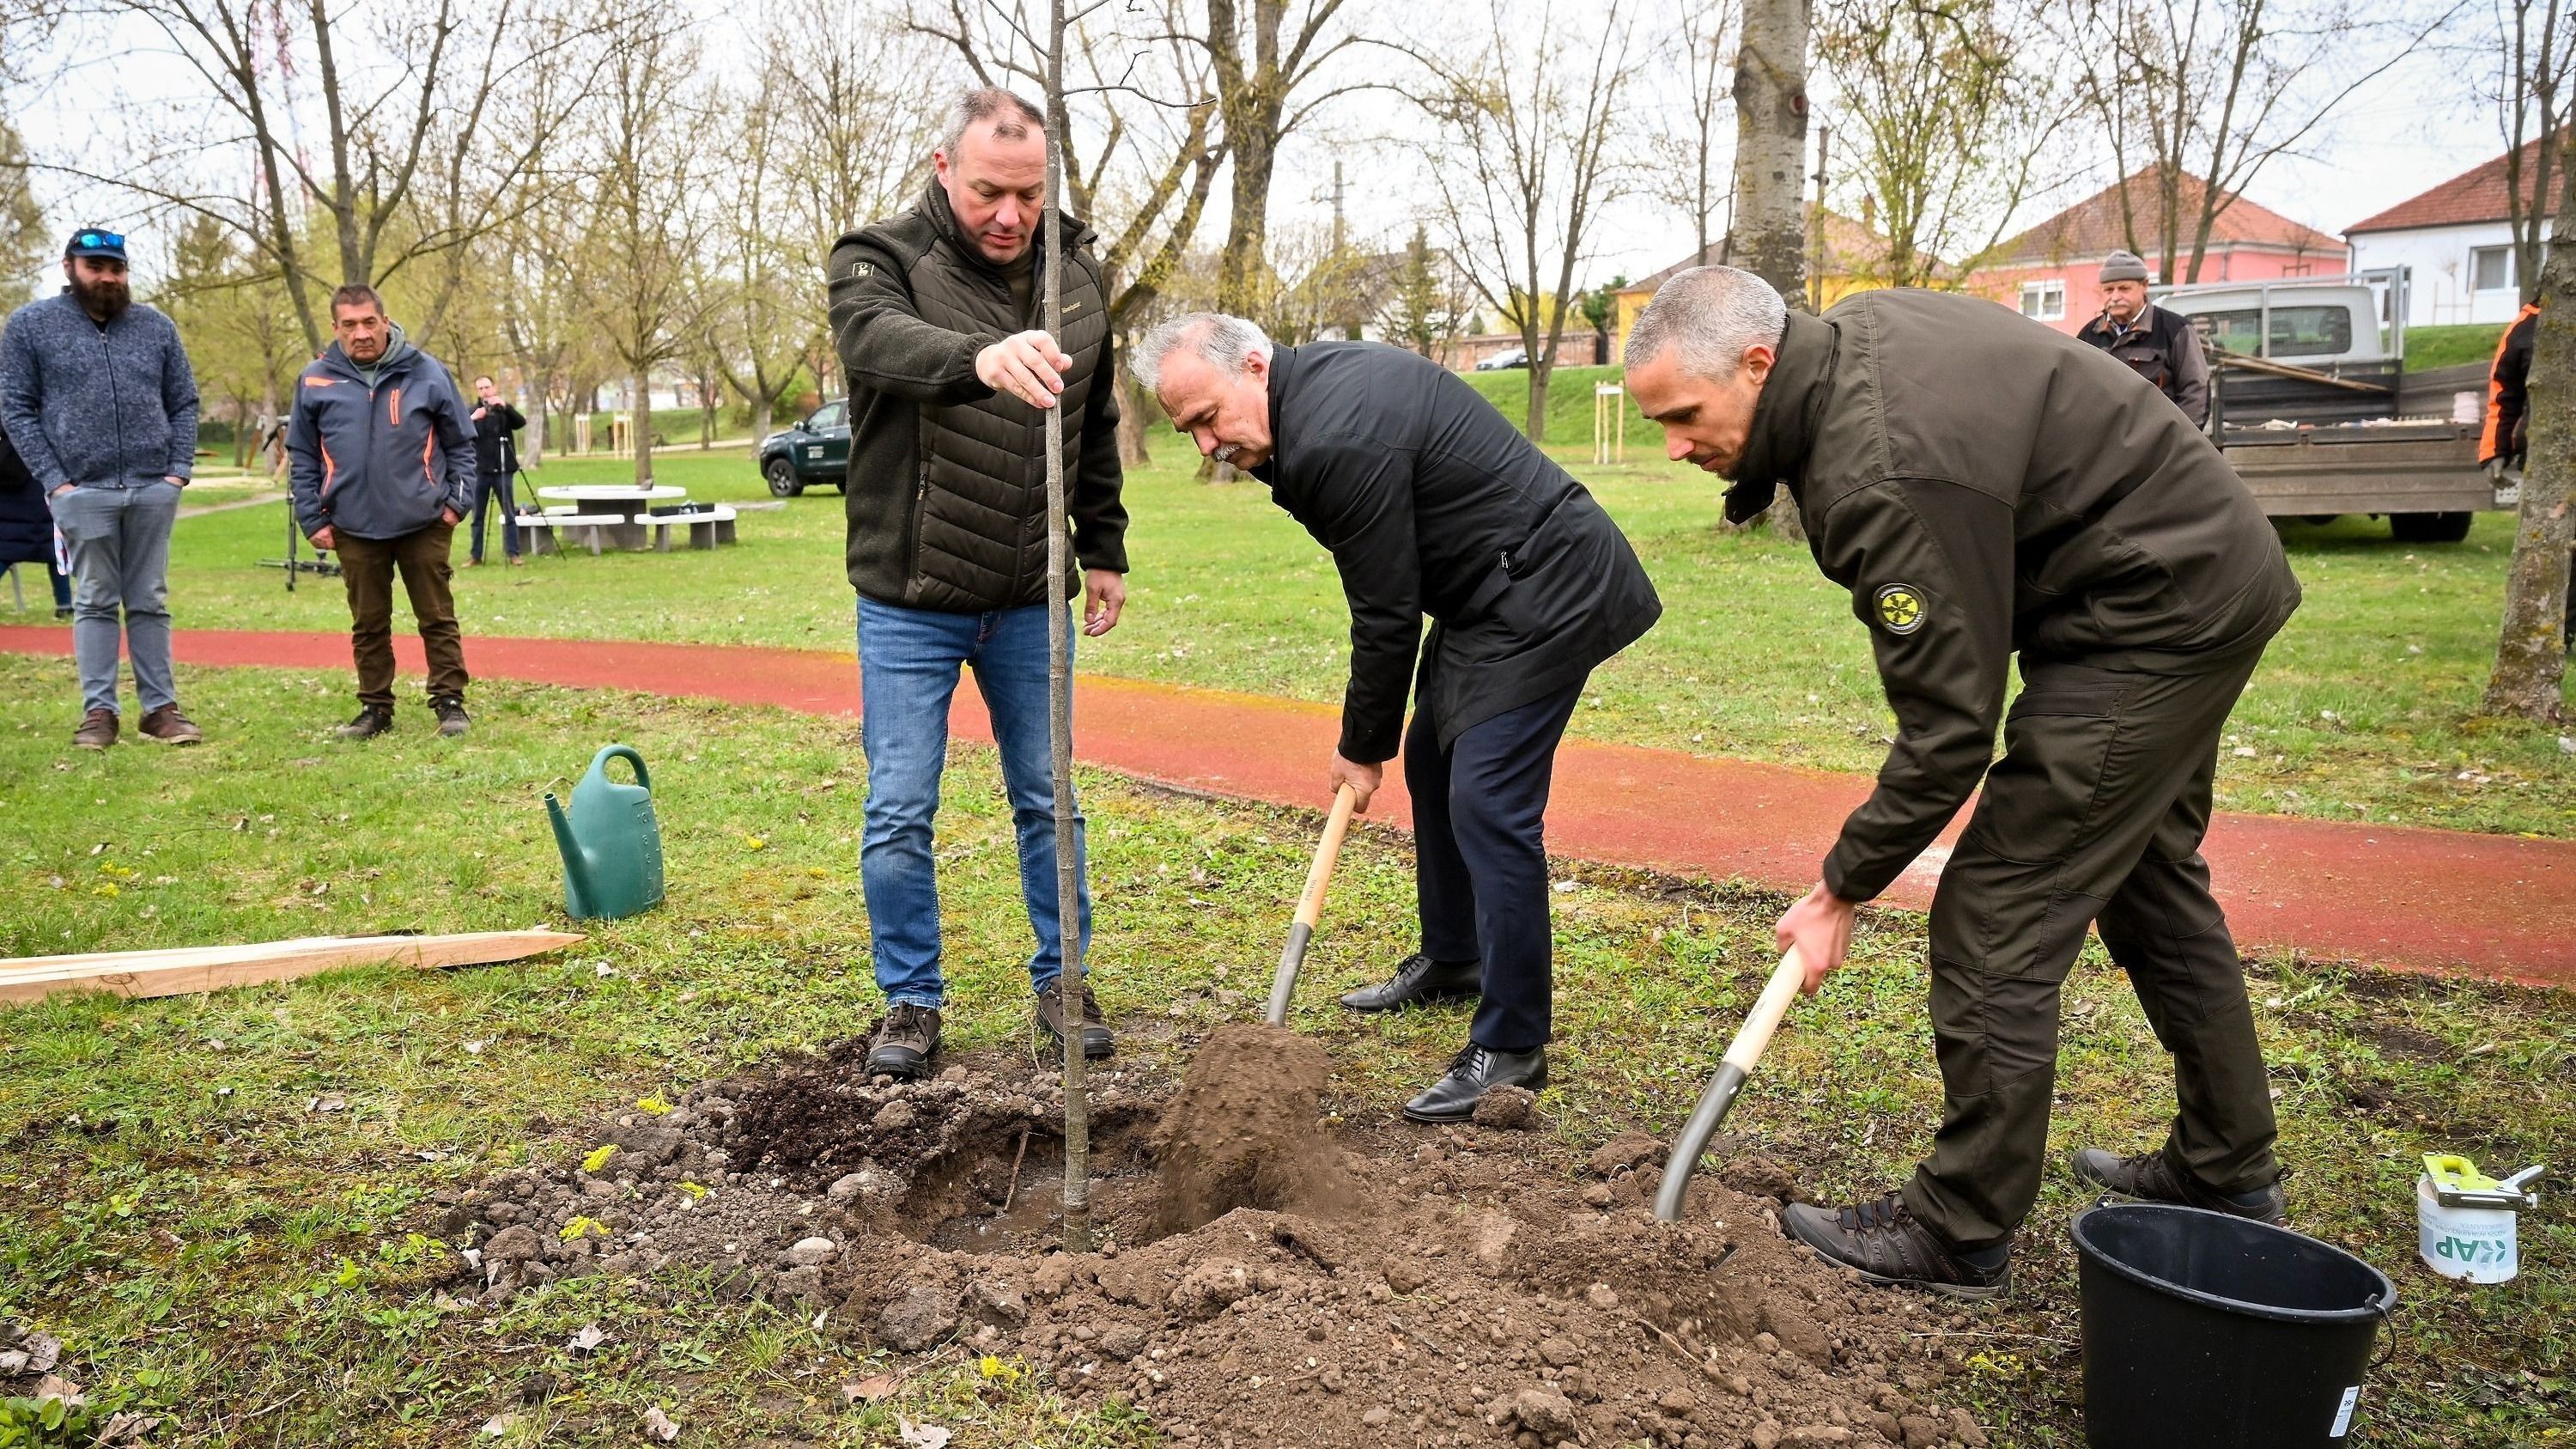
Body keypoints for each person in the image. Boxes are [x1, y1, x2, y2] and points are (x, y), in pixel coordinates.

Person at [1625, 267, 2301, 1298]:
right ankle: (2226, 1166)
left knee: (1998, 911)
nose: (1675, 447)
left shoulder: (1876, 472)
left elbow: (1949, 729)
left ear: (1758, 364)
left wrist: (1840, 886)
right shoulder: (1849, 340)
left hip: (2152, 612)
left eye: (1683, 415)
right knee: (2149, 877)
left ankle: (1960, 1225)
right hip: (2189, 569)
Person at [1133, 313, 1663, 1123]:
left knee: (1489, 801)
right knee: (1434, 758)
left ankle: (1514, 1044)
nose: (1208, 446)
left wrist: (1358, 747)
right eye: (1189, 432)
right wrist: (1385, 742)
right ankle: (1455, 958)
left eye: (1208, 418)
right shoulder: (1307, 400)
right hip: (1488, 588)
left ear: (1252, 365)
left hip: (1548, 585)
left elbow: (1385, 609)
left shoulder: (1334, 434)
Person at [825, 86, 1130, 1078]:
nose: (1010, 215)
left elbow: (1090, 427)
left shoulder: (1077, 274)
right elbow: (875, 342)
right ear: (943, 167)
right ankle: (912, 1000)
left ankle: (1063, 978)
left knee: (1051, 799)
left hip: (1033, 594)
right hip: (910, 599)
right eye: (991, 191)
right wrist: (979, 355)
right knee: (900, 808)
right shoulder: (877, 258)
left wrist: (1107, 545)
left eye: (1030, 195)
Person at [0, 226, 204, 748]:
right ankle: (99, 713)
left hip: (152, 487)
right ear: (70, 268)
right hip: (81, 491)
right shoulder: (30, 326)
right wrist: (56, 482)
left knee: (150, 600)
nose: (108, 278)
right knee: (92, 600)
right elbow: (16, 408)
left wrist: (176, 472)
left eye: (116, 268)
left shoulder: (156, 327)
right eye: (96, 268)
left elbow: (183, 402)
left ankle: (160, 709)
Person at [286, 283, 477, 740]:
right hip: (352, 525)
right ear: (336, 329)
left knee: (437, 617)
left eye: (369, 322)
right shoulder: (315, 379)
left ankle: (449, 703)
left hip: (424, 522)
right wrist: (313, 517)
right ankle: (375, 709)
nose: (361, 333)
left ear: (385, 322)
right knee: (368, 623)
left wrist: (456, 504)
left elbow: (462, 444)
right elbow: (302, 455)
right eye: (349, 325)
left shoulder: (427, 371)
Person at [2077, 250, 2209, 429]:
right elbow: (2078, 394)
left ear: (2145, 285)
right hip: (2107, 446)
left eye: (2124, 289)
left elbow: (2196, 392)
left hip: (2159, 444)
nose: (2115, 297)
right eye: (2109, 290)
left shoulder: (2176, 330)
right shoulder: (2088, 336)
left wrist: (2179, 444)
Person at [0, 417, 74, 618]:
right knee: (55, 554)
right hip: (43, 503)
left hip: (9, 509)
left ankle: (65, 604)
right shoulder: (44, 433)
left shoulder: (8, 430)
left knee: (5, 550)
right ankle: (65, 603)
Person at [466, 375, 526, 566]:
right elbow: (460, 430)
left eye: (487, 387)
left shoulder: (504, 411)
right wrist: (475, 418)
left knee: (509, 513)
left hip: (503, 469)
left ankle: (514, 553)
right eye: (481, 388)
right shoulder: (472, 412)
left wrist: (506, 406)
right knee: (477, 516)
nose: (485, 391)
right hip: (481, 470)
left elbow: (521, 422)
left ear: (494, 387)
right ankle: (476, 555)